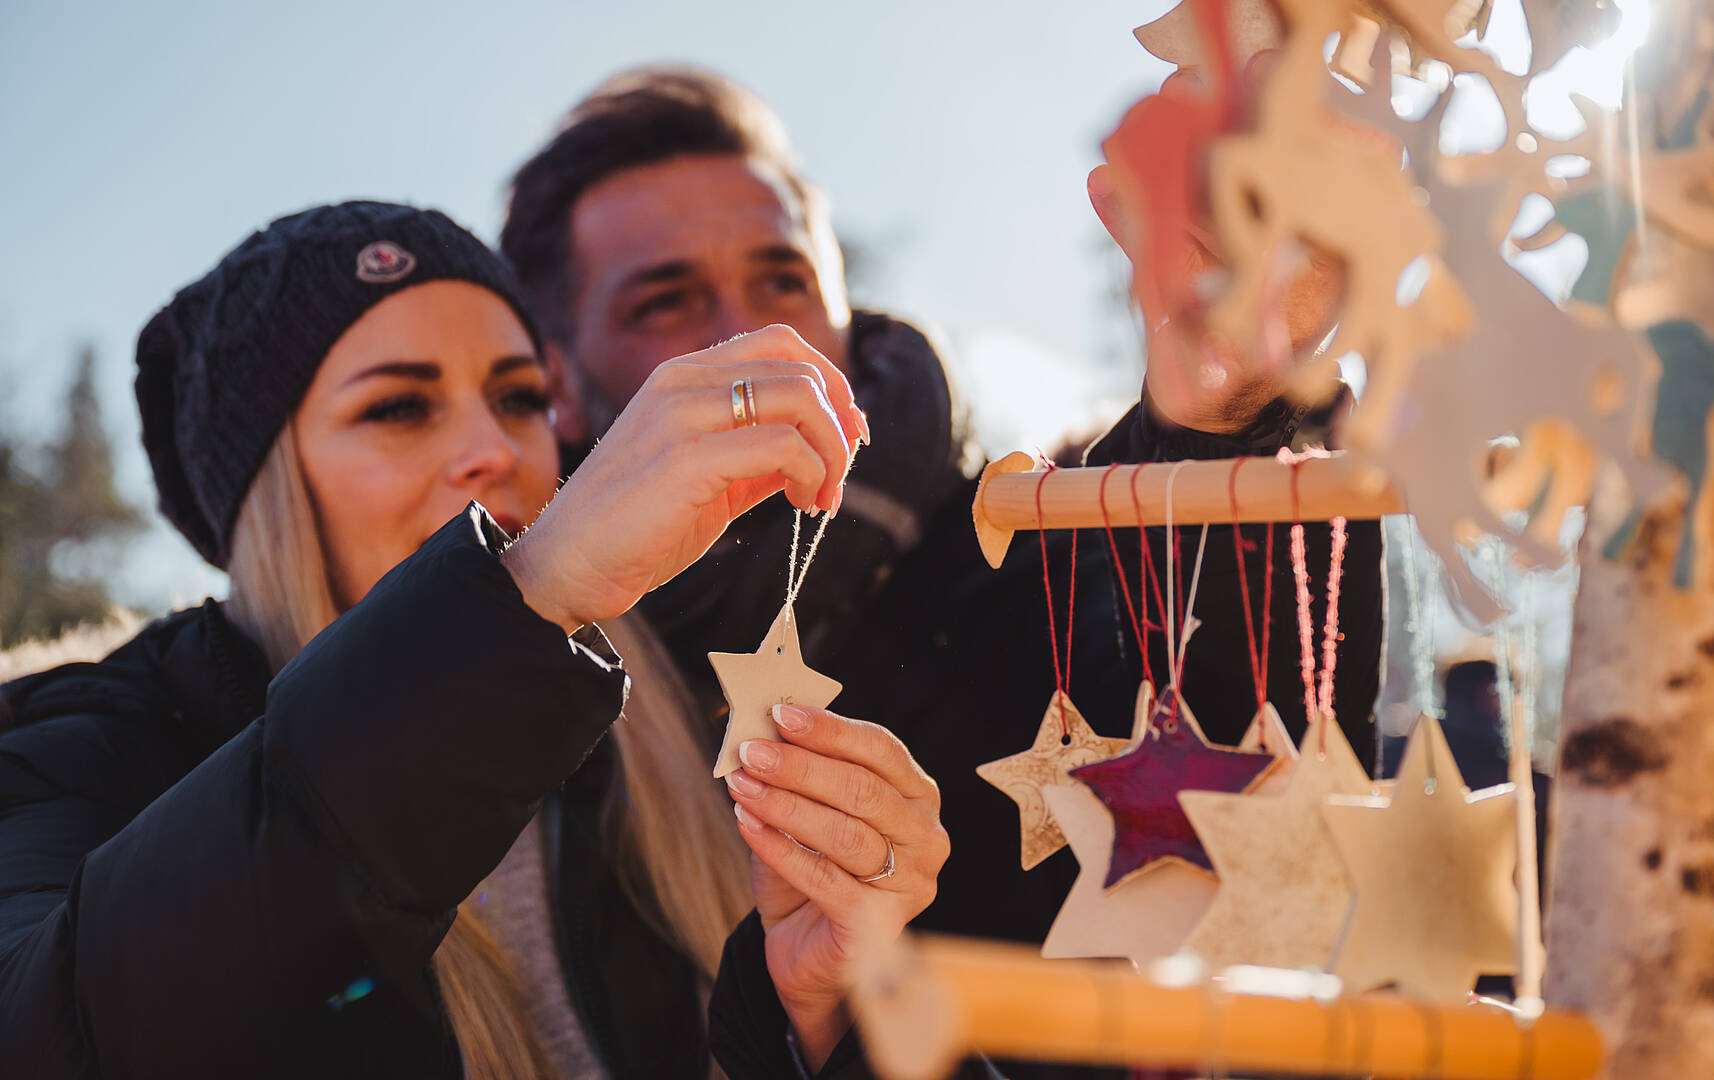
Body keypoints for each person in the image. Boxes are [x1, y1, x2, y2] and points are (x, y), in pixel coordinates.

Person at [0, 201, 948, 1079]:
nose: (492, 448)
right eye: (398, 408)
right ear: (270, 490)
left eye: (519, 398)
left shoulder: (673, 743)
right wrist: (525, 591)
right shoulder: (85, 749)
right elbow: (52, 1033)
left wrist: (824, 1025)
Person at [498, 67, 1387, 963]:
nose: (750, 335)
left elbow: (1237, 763)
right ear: (560, 384)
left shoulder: (1039, 559)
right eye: (666, 301)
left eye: (785, 280)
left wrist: (1227, 418)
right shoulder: (515, 664)